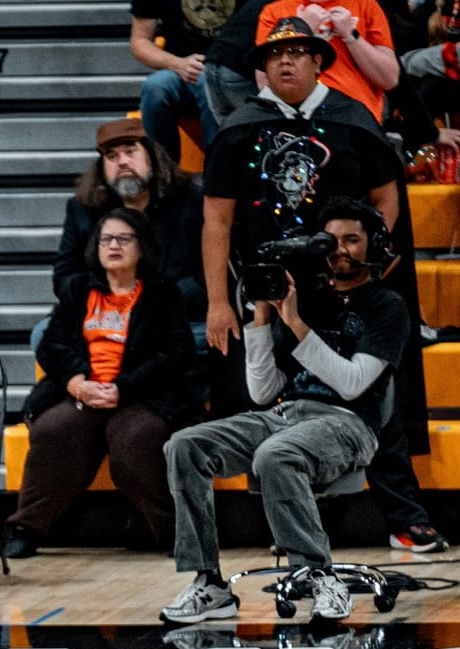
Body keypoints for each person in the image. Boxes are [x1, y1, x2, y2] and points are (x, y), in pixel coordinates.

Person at [204, 17, 446, 551]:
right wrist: (220, 301)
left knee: (374, 404)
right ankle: (287, 523)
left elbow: (388, 196)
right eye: (274, 54)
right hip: (274, 292)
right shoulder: (240, 127)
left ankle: (403, 517)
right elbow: (216, 220)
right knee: (275, 407)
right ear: (262, 68)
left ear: (319, 61)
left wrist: (372, 259)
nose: (285, 61)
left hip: (346, 290)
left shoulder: (352, 119)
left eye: (297, 52)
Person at [161, 200, 407, 624]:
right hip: (286, 413)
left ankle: (317, 573)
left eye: (353, 239)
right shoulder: (307, 299)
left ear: (375, 244)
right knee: (185, 445)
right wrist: (261, 318)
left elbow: (351, 384)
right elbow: (262, 392)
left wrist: (295, 324)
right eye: (332, 241)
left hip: (349, 423)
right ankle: (207, 582)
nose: (341, 250)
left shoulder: (386, 306)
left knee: (275, 453)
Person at [9, 209, 196, 559]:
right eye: (106, 239)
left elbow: (177, 351)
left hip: (142, 395)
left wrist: (125, 387)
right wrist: (77, 381)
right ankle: (26, 528)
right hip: (84, 390)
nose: (113, 245)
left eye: (124, 238)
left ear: (142, 247)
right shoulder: (77, 289)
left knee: (135, 438)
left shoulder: (161, 292)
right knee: (55, 429)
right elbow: (52, 345)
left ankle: (174, 529)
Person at [50, 120, 205, 325]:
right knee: (42, 335)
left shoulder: (191, 200)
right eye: (111, 156)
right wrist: (110, 299)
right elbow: (64, 277)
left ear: (151, 157)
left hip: (176, 316)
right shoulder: (82, 209)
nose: (122, 162)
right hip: (106, 317)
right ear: (102, 167)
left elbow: (209, 277)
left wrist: (157, 302)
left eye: (130, 152)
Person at [130, 0, 250, 159]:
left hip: (235, 76)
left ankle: (218, 172)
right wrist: (177, 64)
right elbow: (140, 42)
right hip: (181, 71)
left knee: (205, 81)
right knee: (155, 86)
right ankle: (164, 172)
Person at [254, 0, 398, 124]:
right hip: (298, 119)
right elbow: (264, 83)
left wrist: (351, 36)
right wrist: (302, 30)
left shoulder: (366, 5)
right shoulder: (275, 11)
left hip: (357, 119)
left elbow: (389, 79)